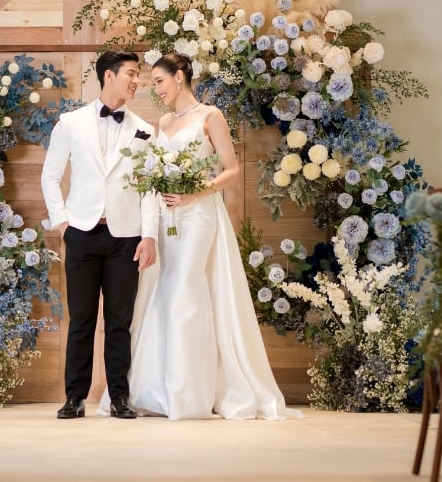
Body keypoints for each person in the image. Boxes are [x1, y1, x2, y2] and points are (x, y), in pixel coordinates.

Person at [102, 53, 303, 420]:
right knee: (161, 293)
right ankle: (156, 389)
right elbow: (152, 168)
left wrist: (196, 191)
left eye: (160, 81)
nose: (156, 89)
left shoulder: (211, 116)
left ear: (179, 77)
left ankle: (188, 394)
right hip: (166, 218)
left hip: (198, 216)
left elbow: (232, 169)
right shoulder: (163, 122)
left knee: (185, 288)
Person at [41, 50, 158, 420]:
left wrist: (149, 235)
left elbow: (150, 188)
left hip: (127, 237)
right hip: (83, 233)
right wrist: (63, 223)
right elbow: (50, 175)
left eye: (138, 74)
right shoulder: (70, 123)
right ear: (109, 75)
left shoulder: (144, 129)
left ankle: (120, 397)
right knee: (82, 320)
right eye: (131, 73)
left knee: (120, 322)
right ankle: (74, 398)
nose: (137, 80)